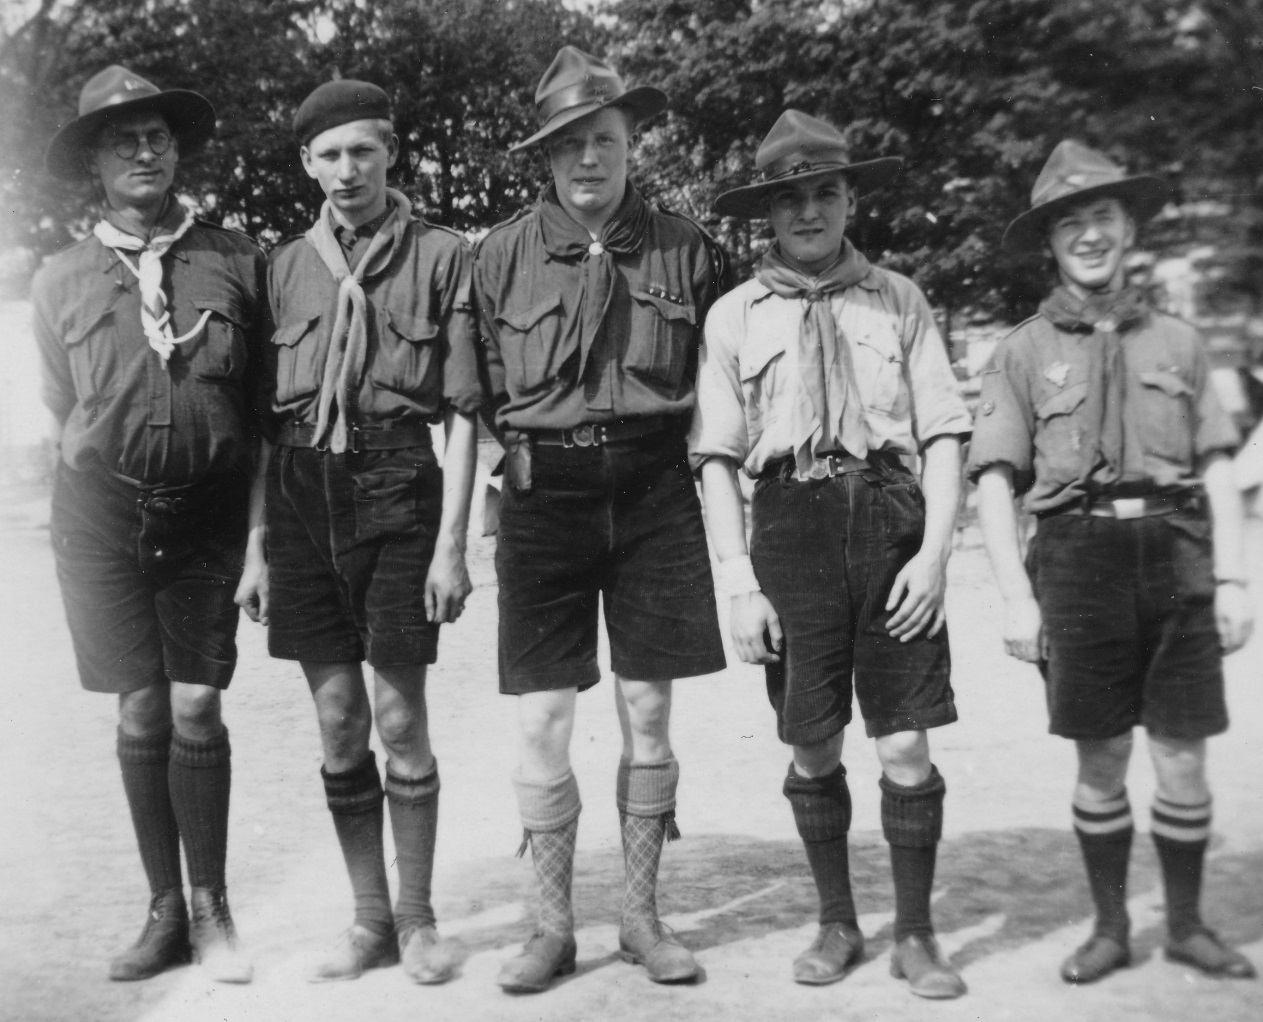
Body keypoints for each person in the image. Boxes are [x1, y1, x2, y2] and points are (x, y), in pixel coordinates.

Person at [690, 110, 972, 1000]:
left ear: (850, 198)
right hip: (788, 527)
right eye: (789, 199)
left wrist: (932, 558)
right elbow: (716, 458)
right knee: (812, 743)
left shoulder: (898, 298)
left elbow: (945, 434)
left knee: (902, 744)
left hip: (889, 522)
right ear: (766, 216)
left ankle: (917, 935)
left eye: (824, 192)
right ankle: (836, 922)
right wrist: (736, 582)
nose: (807, 212)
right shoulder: (734, 315)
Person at [473, 45, 729, 993]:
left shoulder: (685, 247)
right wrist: (507, 476)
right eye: (572, 143)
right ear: (546, 155)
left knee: (649, 708)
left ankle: (640, 916)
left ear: (631, 146)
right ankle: (549, 926)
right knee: (543, 716)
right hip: (543, 493)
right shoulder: (495, 255)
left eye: (607, 139)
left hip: (655, 491)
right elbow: (474, 393)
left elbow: (716, 381)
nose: (591, 158)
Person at [969, 139, 1256, 983]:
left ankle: (1188, 924)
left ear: (1128, 226)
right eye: (1069, 223)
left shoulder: (1179, 340)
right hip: (1075, 557)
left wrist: (1235, 578)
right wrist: (1016, 600)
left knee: (1181, 752)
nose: (1088, 234)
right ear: (1049, 242)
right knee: (1098, 756)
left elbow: (1221, 464)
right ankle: (1108, 927)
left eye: (1102, 216)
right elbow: (994, 480)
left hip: (1176, 551)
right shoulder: (1020, 351)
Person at [235, 80, 479, 985]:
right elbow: (264, 425)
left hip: (396, 480)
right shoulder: (279, 268)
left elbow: (462, 415)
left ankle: (417, 920)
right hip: (301, 487)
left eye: (363, 151)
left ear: (391, 154)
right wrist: (256, 546)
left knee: (398, 713)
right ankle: (368, 919)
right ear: (307, 164)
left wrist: (455, 543)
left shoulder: (443, 257)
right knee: (338, 719)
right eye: (330, 155)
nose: (348, 171)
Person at [33, 65, 260, 983]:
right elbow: (61, 411)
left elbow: (266, 416)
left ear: (176, 149)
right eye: (121, 138)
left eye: (156, 135)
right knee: (137, 701)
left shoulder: (237, 258)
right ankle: (163, 909)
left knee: (196, 700)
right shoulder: (60, 278)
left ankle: (211, 907)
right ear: (94, 158)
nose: (141, 149)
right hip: (101, 516)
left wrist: (261, 547)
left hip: (208, 511)